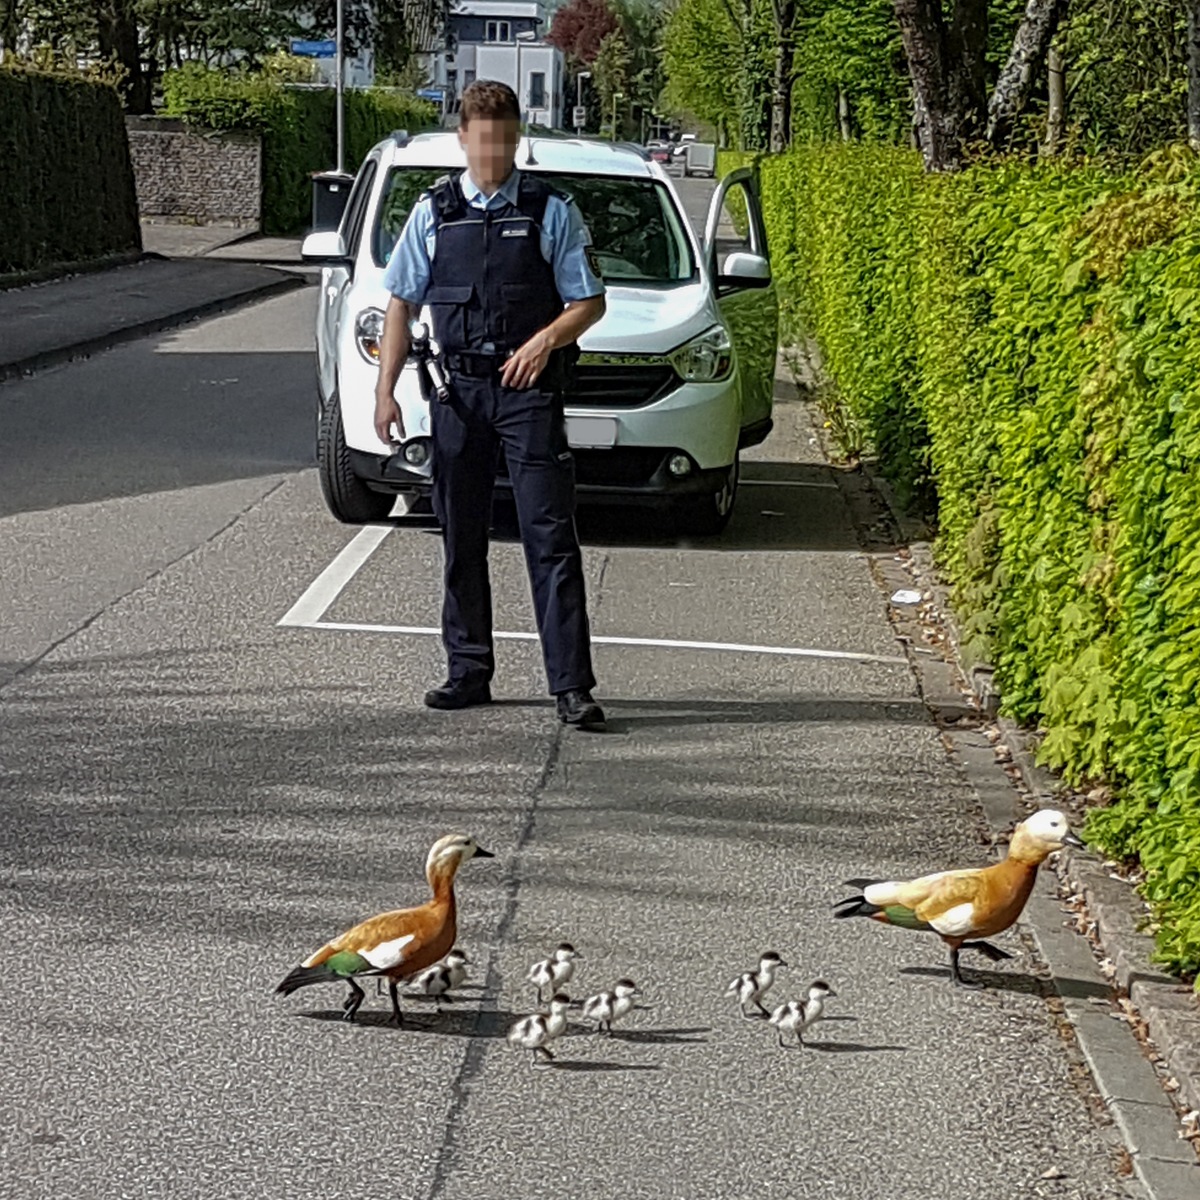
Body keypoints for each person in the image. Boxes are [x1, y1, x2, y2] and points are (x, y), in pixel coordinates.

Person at [374, 79, 608, 732]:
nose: (491, 155)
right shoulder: (435, 210)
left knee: (550, 537)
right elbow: (401, 302)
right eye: (481, 143)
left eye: (503, 143)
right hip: (456, 394)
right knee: (460, 534)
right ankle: (468, 670)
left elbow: (590, 300)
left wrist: (546, 340)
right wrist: (384, 389)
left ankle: (571, 686)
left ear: (515, 140)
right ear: (463, 139)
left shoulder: (547, 209)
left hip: (525, 395)